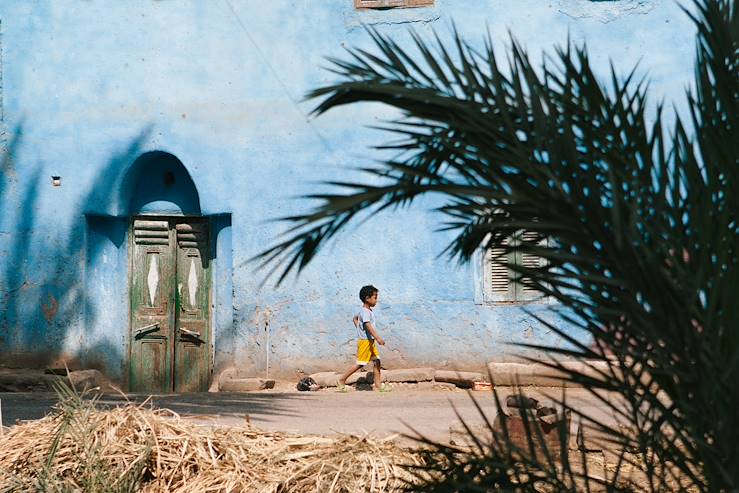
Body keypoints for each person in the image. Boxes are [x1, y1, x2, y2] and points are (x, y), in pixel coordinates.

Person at [337, 285, 390, 392]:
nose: (376, 300)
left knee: (377, 361)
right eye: (375, 297)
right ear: (367, 298)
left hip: (369, 341)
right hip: (366, 342)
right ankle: (341, 380)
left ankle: (378, 385)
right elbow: (367, 324)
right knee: (360, 364)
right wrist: (378, 337)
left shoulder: (365, 311)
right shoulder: (365, 312)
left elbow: (355, 319)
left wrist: (359, 329)